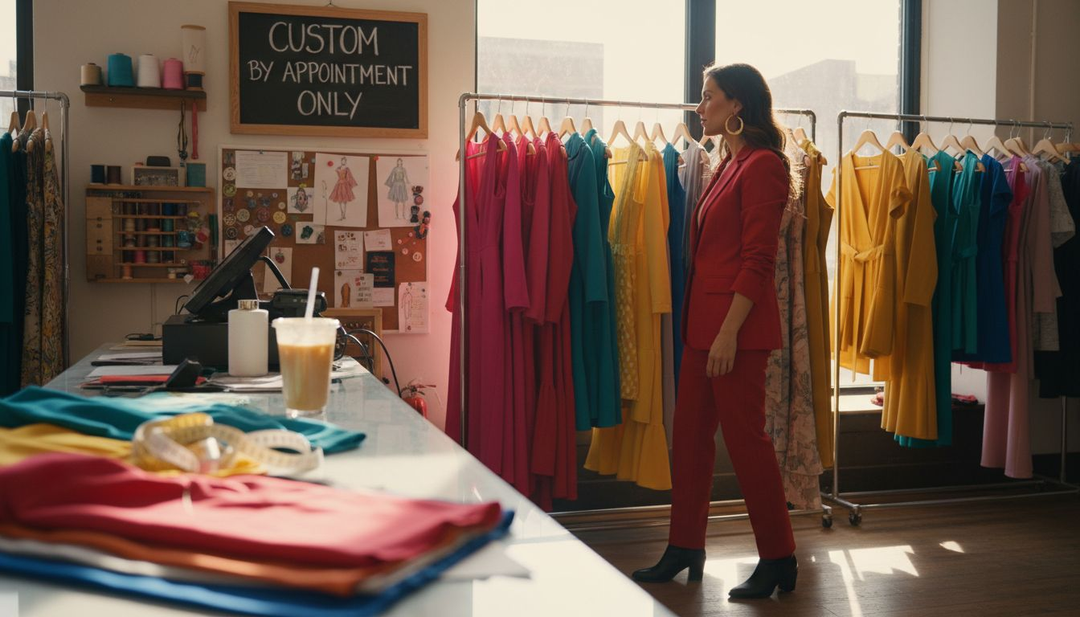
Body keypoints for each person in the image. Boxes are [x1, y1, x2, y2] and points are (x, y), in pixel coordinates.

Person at [632, 63, 799, 599]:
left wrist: (728, 333)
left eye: (708, 97)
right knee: (689, 439)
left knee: (746, 443)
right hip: (702, 327)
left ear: (737, 105)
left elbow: (758, 260)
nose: (699, 107)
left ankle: (779, 556)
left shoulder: (764, 166)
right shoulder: (727, 162)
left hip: (735, 332)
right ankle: (685, 545)